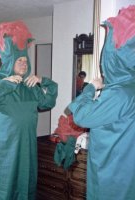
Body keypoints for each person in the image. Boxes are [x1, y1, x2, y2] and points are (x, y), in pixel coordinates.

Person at [0, 21, 58, 200]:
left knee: (26, 187)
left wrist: (44, 81)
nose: (24, 64)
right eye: (19, 60)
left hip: (28, 148)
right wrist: (5, 86)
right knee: (5, 189)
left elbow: (48, 103)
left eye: (26, 60)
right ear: (9, 61)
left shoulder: (30, 86)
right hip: (6, 151)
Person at [68, 5, 135, 200]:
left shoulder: (120, 93)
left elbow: (81, 116)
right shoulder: (129, 88)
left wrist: (90, 88)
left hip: (111, 173)